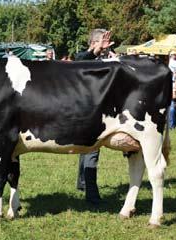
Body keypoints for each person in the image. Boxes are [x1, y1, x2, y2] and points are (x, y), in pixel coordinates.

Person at [75, 29, 114, 205]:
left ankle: (82, 183)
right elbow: (80, 60)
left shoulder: (104, 59)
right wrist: (94, 51)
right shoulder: (84, 57)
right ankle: (92, 194)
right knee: (92, 149)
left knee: (86, 149)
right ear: (93, 43)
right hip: (87, 112)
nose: (106, 46)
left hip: (97, 109)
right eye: (102, 43)